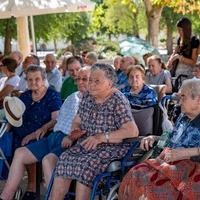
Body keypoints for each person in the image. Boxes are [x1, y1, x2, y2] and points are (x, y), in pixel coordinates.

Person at [50, 63, 139, 200]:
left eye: (97, 81)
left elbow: (132, 131)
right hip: (87, 143)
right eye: (90, 80)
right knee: (64, 159)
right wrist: (75, 132)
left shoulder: (118, 100)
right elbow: (77, 121)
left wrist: (101, 137)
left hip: (111, 147)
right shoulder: (87, 97)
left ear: (109, 84)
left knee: (85, 165)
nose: (91, 84)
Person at [0, 67, 91, 200]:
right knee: (20, 153)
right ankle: (6, 196)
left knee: (47, 160)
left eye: (85, 79)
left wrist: (70, 136)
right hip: (52, 136)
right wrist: (45, 127)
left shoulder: (93, 101)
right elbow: (58, 119)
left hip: (69, 140)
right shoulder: (72, 97)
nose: (81, 82)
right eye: (78, 79)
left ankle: (53, 197)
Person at [119, 78, 200, 200]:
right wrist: (154, 137)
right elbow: (173, 138)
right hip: (169, 161)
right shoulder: (183, 117)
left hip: (191, 168)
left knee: (150, 185)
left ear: (198, 100)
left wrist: (187, 152)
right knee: (135, 174)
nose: (179, 103)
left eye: (184, 97)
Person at [1, 65, 62, 200]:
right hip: (19, 132)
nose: (33, 82)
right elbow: (14, 115)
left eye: (37, 79)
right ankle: (11, 189)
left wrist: (35, 133)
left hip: (41, 134)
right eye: (30, 80)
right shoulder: (26, 95)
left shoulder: (52, 95)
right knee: (7, 144)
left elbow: (55, 120)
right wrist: (6, 131)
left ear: (43, 79)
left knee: (26, 144)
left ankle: (32, 186)